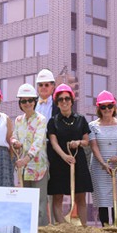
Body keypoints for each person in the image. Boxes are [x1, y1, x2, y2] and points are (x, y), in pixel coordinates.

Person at [46, 84, 92, 225]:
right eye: (60, 99)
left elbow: (86, 141)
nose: (64, 101)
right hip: (59, 161)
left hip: (78, 160)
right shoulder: (53, 121)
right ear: (57, 103)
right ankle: (63, 228)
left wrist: (78, 142)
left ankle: (83, 227)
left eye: (67, 98)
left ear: (72, 101)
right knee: (58, 196)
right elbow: (53, 143)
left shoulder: (81, 119)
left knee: (80, 196)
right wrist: (64, 156)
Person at [10, 84, 49, 226]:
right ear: (20, 103)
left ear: (35, 101)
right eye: (23, 101)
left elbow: (38, 142)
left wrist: (26, 159)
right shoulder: (18, 120)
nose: (27, 104)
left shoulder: (41, 119)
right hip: (23, 170)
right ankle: (28, 232)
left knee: (40, 202)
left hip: (38, 167)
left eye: (30, 100)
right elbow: (14, 136)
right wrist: (15, 142)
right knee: (26, 202)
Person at [88, 90, 117, 227]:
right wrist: (103, 164)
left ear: (114, 107)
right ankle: (105, 227)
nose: (107, 109)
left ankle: (116, 226)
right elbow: (94, 146)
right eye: (103, 107)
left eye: (110, 106)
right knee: (102, 198)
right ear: (99, 108)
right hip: (99, 167)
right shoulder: (93, 126)